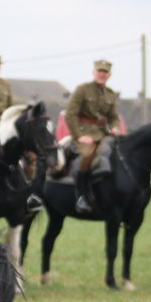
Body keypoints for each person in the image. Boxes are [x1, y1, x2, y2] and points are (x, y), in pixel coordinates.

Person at [65, 59, 121, 213]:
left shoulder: (111, 94)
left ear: (109, 75)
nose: (102, 74)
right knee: (87, 155)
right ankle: (81, 196)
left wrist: (115, 127)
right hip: (84, 134)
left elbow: (114, 117)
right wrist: (79, 135)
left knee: (117, 155)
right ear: (94, 72)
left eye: (105, 72)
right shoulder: (82, 89)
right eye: (99, 71)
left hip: (104, 134)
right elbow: (70, 114)